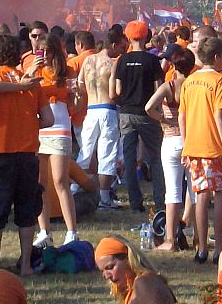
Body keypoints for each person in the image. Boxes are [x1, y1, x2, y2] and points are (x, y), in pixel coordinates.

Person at [0, 35, 51, 272]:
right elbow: (48, 119)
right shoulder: (31, 82)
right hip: (27, 152)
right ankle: (26, 264)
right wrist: (26, 123)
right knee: (27, 211)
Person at [179, 36, 222, 263]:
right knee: (220, 194)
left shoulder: (189, 81)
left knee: (200, 195)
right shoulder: (219, 80)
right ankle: (219, 246)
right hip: (213, 145)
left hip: (193, 145)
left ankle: (201, 248)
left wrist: (185, 144)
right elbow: (220, 115)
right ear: (218, 57)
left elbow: (182, 115)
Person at [25, 33, 78, 246]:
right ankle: (44, 231)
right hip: (39, 126)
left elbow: (75, 105)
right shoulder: (34, 69)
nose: (44, 55)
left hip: (60, 125)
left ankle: (71, 231)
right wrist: (30, 71)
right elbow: (23, 89)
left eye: (48, 51)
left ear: (56, 52)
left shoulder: (67, 72)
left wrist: (77, 95)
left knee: (59, 180)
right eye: (41, 51)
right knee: (40, 183)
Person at [111, 21, 165, 214]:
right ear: (146, 37)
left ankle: (135, 202)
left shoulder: (122, 60)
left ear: (128, 37)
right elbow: (159, 89)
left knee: (129, 157)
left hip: (126, 112)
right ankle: (160, 202)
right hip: (147, 113)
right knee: (156, 158)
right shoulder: (152, 61)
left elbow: (117, 89)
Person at [145, 51, 196, 251]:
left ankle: (170, 239)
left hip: (171, 139)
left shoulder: (169, 86)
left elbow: (149, 107)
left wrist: (163, 119)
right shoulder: (194, 86)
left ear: (174, 66)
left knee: (172, 192)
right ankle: (196, 235)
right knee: (195, 190)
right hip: (192, 139)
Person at [76, 30, 124, 210]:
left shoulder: (87, 60)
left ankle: (73, 189)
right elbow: (114, 92)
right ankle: (104, 198)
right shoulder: (112, 63)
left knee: (85, 152)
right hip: (107, 108)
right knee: (107, 154)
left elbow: (80, 85)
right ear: (111, 45)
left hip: (91, 108)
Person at [92, 235, 175, 304]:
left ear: (128, 259)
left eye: (110, 267)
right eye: (102, 271)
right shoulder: (134, 287)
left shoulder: (145, 282)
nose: (106, 276)